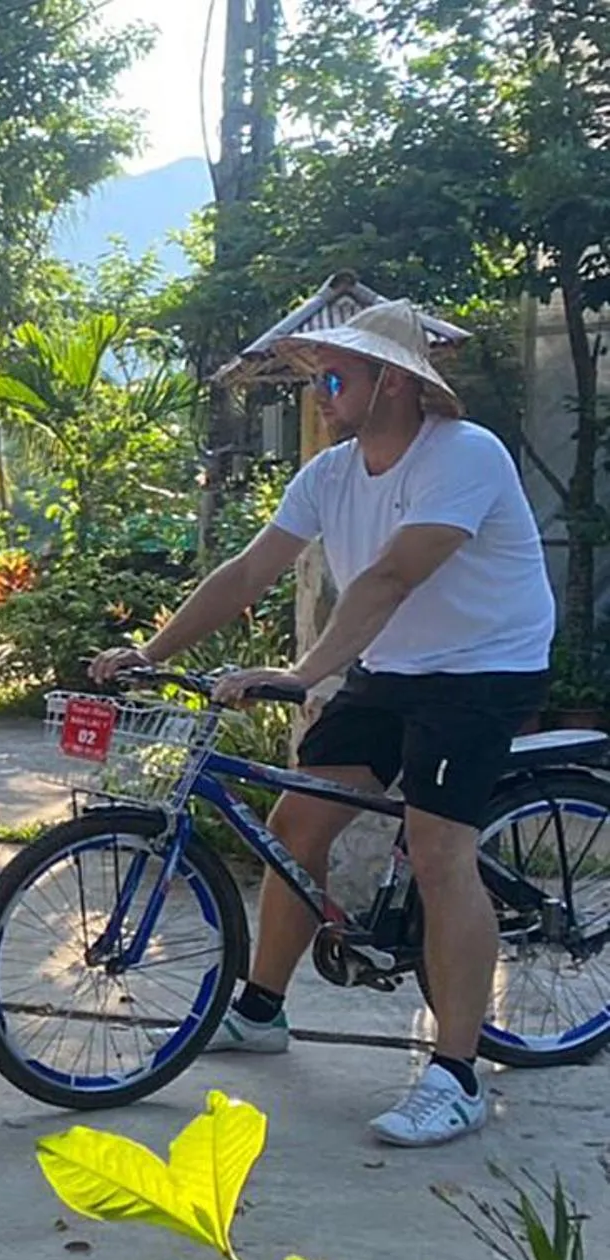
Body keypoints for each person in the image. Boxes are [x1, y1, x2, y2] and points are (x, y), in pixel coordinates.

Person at [89, 297, 555, 1148]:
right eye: (316, 378)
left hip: (483, 668)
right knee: (296, 823)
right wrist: (150, 650)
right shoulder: (331, 474)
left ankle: (455, 1075)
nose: (319, 392)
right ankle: (262, 1009)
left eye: (335, 378)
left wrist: (303, 674)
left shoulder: (463, 454)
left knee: (439, 851)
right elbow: (249, 571)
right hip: (396, 668)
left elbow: (390, 578)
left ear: (393, 383)